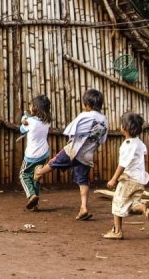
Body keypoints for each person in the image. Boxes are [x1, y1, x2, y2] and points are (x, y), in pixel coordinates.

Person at [33, 88, 108, 220]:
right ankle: (84, 207)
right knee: (83, 180)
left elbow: (69, 130)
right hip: (88, 154)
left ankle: (38, 173)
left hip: (74, 149)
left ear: (88, 105)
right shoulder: (104, 120)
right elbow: (102, 140)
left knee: (55, 162)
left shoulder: (85, 115)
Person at [104, 112, 149, 240]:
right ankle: (144, 208)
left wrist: (113, 179)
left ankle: (117, 231)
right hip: (140, 180)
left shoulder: (127, 145)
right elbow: (145, 157)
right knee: (133, 205)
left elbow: (122, 165)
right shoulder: (139, 143)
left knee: (117, 203)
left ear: (124, 128)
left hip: (128, 180)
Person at [17, 94, 52, 211]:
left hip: (32, 154)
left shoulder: (30, 121)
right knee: (36, 176)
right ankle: (35, 204)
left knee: (23, 175)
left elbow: (22, 129)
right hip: (43, 153)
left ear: (35, 108)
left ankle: (32, 195)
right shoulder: (47, 122)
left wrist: (24, 119)